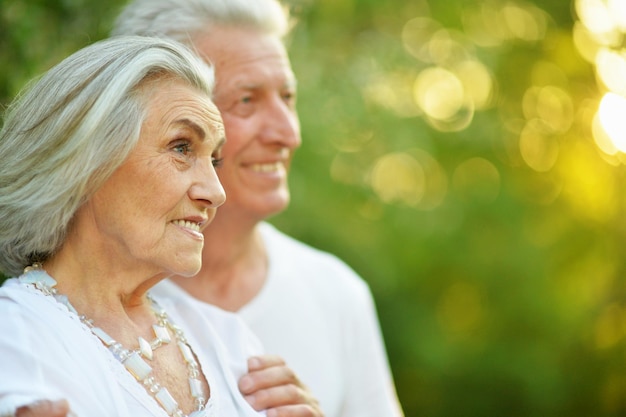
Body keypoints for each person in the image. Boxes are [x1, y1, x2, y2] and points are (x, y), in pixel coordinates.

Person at [0, 35, 319, 417]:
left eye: (214, 160)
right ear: (85, 162)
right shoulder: (17, 337)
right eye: (182, 148)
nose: (216, 192)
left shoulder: (229, 342)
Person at [111, 1, 405, 416]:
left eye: (288, 97)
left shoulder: (338, 295)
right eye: (247, 100)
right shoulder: (86, 300)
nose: (288, 132)